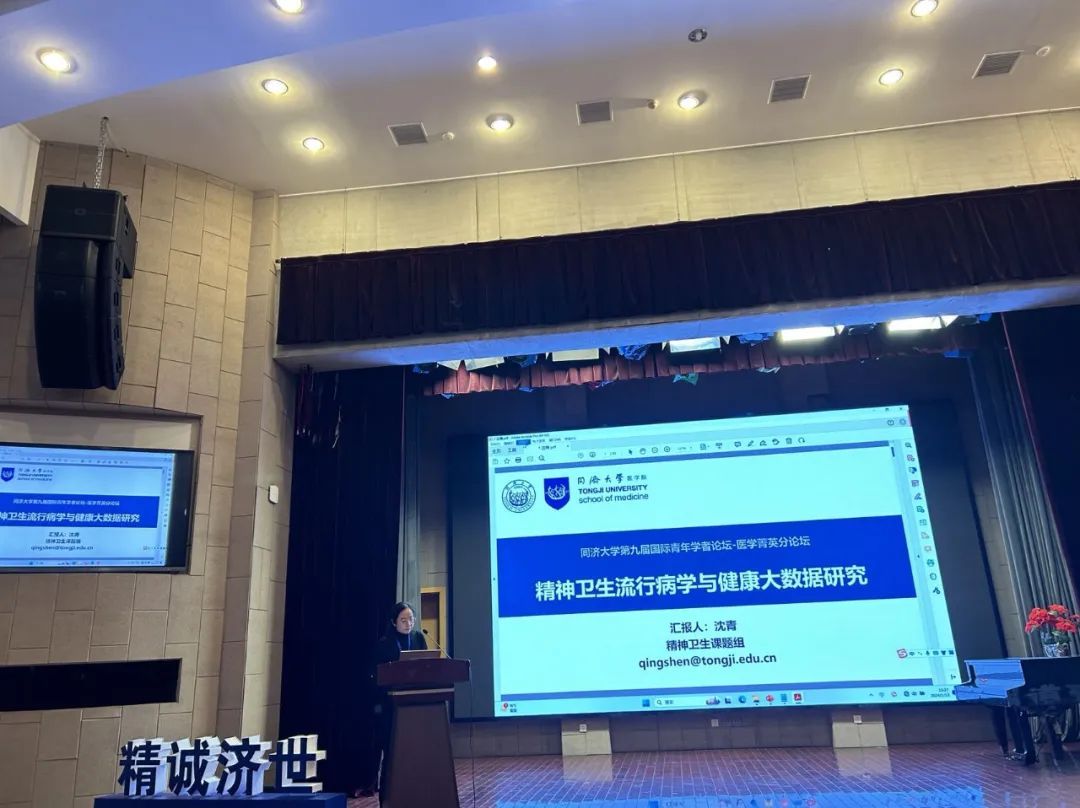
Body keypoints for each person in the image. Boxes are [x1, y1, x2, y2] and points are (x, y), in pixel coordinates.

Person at [373, 602, 427, 803]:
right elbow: (379, 674)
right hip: (391, 707)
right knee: (392, 754)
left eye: (411, 619)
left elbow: (426, 666)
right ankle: (387, 800)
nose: (408, 623)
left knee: (415, 753)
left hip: (415, 705)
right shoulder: (385, 643)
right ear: (394, 622)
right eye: (403, 620)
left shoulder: (419, 638)